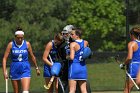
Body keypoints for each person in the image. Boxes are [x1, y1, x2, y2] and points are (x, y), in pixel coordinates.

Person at [2, 27, 40, 93]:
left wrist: (36, 68)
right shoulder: (11, 45)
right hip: (14, 68)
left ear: (23, 37)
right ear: (15, 37)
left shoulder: (27, 44)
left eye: (21, 38)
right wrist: (4, 71)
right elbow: (4, 58)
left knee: (25, 91)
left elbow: (32, 56)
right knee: (16, 91)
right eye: (18, 38)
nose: (20, 39)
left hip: (25, 68)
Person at [120, 25, 140, 93]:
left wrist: (123, 64)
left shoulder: (131, 44)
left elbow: (129, 57)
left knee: (127, 90)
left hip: (134, 68)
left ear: (132, 35)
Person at [68, 28, 89, 93]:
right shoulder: (85, 42)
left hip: (74, 67)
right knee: (84, 89)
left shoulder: (73, 44)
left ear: (77, 35)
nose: (70, 36)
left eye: (72, 34)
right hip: (82, 67)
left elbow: (71, 57)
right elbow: (88, 52)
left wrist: (66, 56)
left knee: (72, 90)